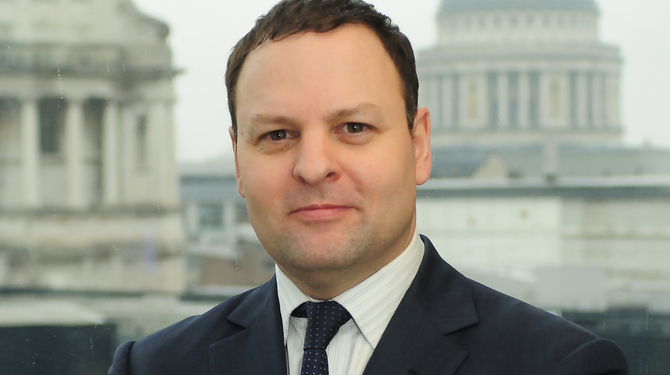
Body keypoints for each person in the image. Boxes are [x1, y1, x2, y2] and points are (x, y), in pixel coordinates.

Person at [108, 0, 629, 374]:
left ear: (419, 145)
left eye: (353, 128)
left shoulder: (559, 366)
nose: (313, 167)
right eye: (277, 134)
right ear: (238, 163)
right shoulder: (153, 365)